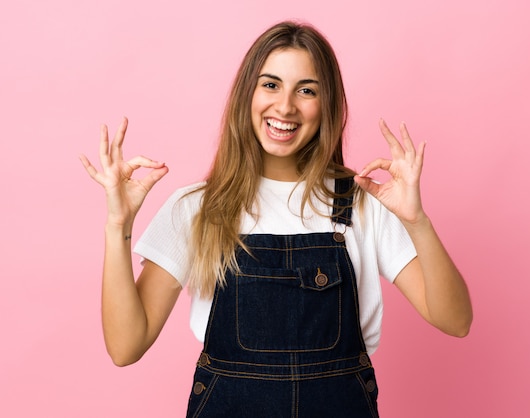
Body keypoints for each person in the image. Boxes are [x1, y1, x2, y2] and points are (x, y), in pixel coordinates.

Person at [80, 20, 472, 418]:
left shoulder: (362, 204)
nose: (285, 106)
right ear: (246, 95)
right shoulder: (198, 209)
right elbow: (125, 347)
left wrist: (416, 221)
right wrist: (118, 226)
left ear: (328, 105)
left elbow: (456, 320)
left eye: (306, 90)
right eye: (270, 85)